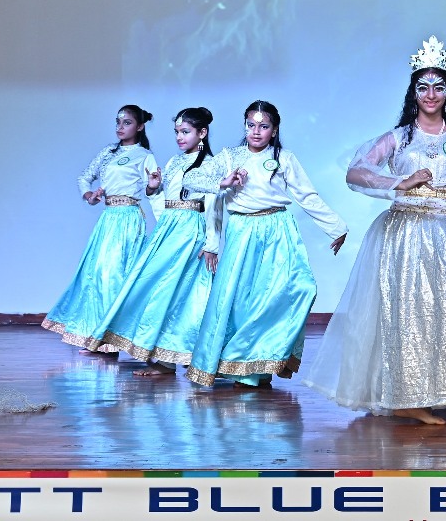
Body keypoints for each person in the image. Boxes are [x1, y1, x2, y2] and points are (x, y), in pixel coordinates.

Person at [304, 36, 446, 425]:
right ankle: (406, 396)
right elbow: (356, 172)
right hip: (405, 233)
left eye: (438, 87)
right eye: (423, 87)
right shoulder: (399, 138)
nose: (431, 94)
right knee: (408, 312)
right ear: (413, 94)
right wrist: (400, 182)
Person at [181, 100, 347, 388]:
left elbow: (306, 195)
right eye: (251, 125)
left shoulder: (284, 158)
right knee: (242, 301)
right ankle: (246, 367)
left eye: (264, 126)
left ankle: (264, 358)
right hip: (243, 231)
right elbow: (191, 179)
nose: (256, 131)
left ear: (275, 129)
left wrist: (335, 227)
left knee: (298, 288)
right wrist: (223, 182)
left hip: (278, 229)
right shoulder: (230, 157)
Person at [85, 107, 218, 375]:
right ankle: (161, 356)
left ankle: (181, 357)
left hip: (190, 230)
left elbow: (215, 206)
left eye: (185, 132)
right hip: (169, 227)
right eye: (177, 132)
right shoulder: (174, 162)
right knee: (154, 287)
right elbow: (164, 203)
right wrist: (153, 188)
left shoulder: (210, 165)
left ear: (202, 133)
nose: (179, 137)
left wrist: (211, 244)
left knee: (180, 292)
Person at [42, 105, 160, 352]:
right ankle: (96, 335)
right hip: (108, 219)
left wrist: (153, 192)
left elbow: (154, 191)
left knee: (115, 275)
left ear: (140, 126)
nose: (120, 127)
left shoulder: (144, 155)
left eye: (127, 122)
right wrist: (90, 196)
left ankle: (111, 339)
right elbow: (84, 177)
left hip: (128, 219)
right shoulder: (108, 152)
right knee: (96, 275)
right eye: (118, 122)